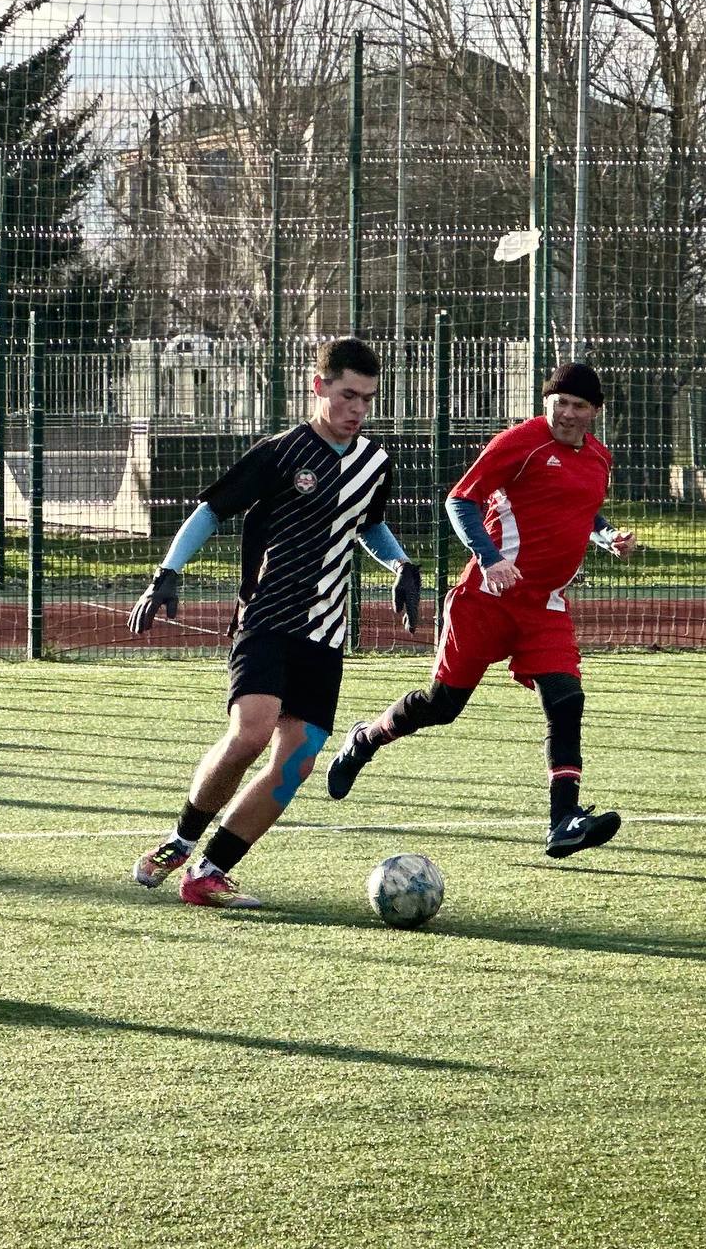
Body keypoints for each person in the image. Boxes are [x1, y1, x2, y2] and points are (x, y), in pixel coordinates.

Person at [126, 337, 421, 908]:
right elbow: (211, 510)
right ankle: (179, 841)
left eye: (367, 399)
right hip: (266, 618)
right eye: (346, 395)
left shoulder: (375, 463)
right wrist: (167, 572)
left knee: (297, 764)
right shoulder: (281, 453)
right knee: (252, 733)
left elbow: (368, 525)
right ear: (319, 388)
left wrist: (403, 564)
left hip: (326, 634)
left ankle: (209, 873)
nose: (357, 409)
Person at [323, 358, 634, 857]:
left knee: (566, 699)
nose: (567, 413)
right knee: (442, 706)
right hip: (486, 600)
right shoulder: (520, 442)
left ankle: (564, 820)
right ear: (545, 402)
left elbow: (580, 507)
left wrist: (606, 536)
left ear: (596, 411)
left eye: (579, 405)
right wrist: (488, 560)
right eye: (559, 402)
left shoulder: (599, 457)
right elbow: (459, 501)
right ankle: (365, 739)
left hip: (545, 606)